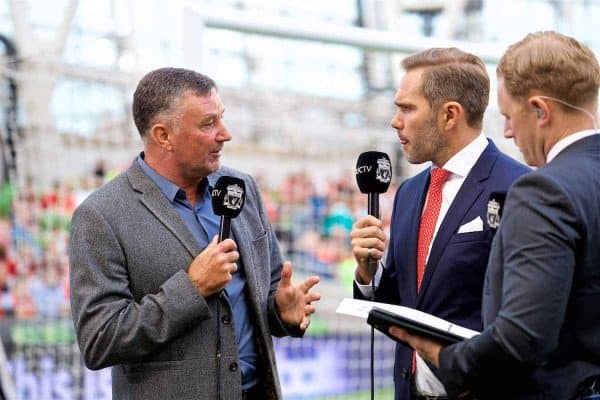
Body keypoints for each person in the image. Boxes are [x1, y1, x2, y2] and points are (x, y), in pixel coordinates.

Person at [69, 68, 321, 400]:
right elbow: (100, 339)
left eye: (222, 118)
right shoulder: (101, 215)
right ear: (163, 136)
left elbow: (266, 293)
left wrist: (281, 311)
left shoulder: (241, 187)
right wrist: (192, 288)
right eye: (208, 124)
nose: (225, 134)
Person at [390, 31, 600, 400]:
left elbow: (524, 336)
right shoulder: (411, 192)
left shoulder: (539, 190)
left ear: (540, 111)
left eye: (508, 116)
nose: (506, 130)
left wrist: (448, 360)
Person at [351, 48, 529, 399]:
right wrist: (367, 275)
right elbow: (403, 305)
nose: (395, 121)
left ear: (450, 115)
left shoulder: (519, 188)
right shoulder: (410, 192)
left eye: (407, 108)